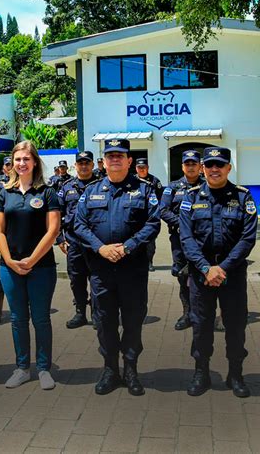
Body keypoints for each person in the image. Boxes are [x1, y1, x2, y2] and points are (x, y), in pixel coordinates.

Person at [75, 139, 161, 396]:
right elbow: (79, 225)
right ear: (103, 161)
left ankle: (131, 369)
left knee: (133, 321)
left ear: (129, 161)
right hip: (101, 270)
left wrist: (127, 246)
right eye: (110, 155)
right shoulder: (90, 191)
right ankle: (110, 369)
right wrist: (101, 248)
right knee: (104, 321)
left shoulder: (144, 190)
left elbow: (153, 223)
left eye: (120, 155)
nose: (115, 159)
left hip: (132, 269)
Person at [179, 146, 257, 398]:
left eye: (220, 165)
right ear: (203, 168)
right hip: (201, 275)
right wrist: (205, 268)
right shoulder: (190, 198)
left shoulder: (243, 197)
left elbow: (247, 239)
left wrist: (221, 269)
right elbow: (186, 237)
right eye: (209, 165)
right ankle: (201, 372)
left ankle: (236, 373)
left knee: (235, 325)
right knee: (201, 326)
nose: (214, 169)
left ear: (228, 168)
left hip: (231, 274)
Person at [0, 140, 61, 390]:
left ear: (35, 162)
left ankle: (44, 368)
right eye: (18, 159)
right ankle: (22, 368)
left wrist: (32, 259)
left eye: (26, 159)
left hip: (41, 268)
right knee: (18, 320)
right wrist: (9, 260)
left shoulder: (47, 192)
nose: (22, 163)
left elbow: (53, 230)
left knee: (41, 319)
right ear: (13, 163)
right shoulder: (4, 192)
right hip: (9, 267)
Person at [160, 150, 205, 330]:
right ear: (182, 166)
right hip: (180, 241)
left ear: (200, 167)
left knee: (203, 275)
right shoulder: (173, 187)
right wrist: (183, 224)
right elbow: (163, 210)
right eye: (187, 164)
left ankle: (202, 314)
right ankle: (187, 314)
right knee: (183, 277)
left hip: (202, 241)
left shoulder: (207, 185)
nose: (191, 167)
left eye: (194, 163)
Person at [57, 151, 98, 329]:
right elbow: (57, 214)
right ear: (75, 165)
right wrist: (59, 238)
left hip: (96, 243)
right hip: (73, 243)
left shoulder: (101, 185)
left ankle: (97, 314)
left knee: (97, 279)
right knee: (76, 280)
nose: (83, 165)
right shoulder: (66, 187)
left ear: (93, 165)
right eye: (80, 163)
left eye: (87, 162)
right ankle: (80, 313)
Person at [135, 157, 163, 271]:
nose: (142, 170)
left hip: (150, 217)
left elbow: (161, 198)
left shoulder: (155, 181)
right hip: (136, 216)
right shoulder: (132, 180)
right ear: (136, 168)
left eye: (144, 167)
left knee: (150, 243)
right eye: (139, 167)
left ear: (148, 168)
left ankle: (149, 261)